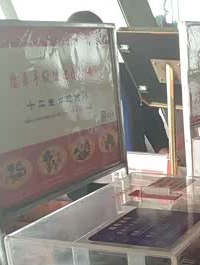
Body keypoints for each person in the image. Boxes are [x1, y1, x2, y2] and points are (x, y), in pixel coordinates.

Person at [66, 11, 168, 200]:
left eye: (98, 41)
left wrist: (163, 150)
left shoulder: (127, 74)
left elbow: (150, 117)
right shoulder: (66, 86)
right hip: (91, 186)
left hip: (135, 175)